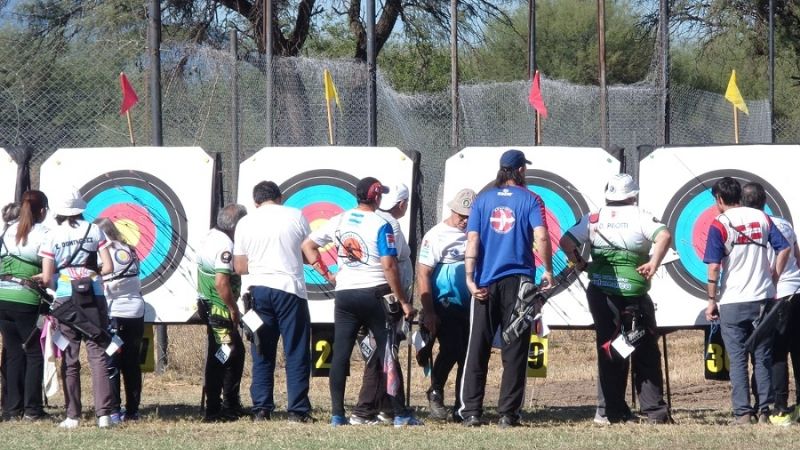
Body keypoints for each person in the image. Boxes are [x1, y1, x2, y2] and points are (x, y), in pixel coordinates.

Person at [302, 177, 421, 427]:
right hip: (375, 294)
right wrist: (404, 301)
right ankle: (399, 413)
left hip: (345, 295)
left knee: (342, 354)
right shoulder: (381, 223)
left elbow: (308, 245)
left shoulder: (340, 219)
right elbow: (389, 265)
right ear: (376, 197)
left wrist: (328, 274)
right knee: (387, 353)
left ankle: (337, 414)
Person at [559, 173, 671, 425]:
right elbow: (664, 235)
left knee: (610, 348)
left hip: (600, 293)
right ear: (633, 195)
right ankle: (654, 412)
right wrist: (653, 262)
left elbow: (565, 241)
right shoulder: (640, 215)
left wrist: (580, 263)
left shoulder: (594, 218)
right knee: (644, 349)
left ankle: (610, 411)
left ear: (608, 195)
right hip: (633, 293)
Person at [459, 149, 554, 428]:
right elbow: (542, 236)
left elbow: (473, 239)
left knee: (477, 348)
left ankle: (472, 412)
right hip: (520, 283)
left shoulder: (482, 200)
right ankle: (507, 414)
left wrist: (469, 278)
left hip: (484, 282)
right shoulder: (532, 199)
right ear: (521, 170)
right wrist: (547, 270)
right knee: (515, 351)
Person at [703, 177, 790, 425]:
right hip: (763, 297)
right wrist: (773, 277)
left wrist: (711, 300)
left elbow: (714, 267)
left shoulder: (719, 223)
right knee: (762, 357)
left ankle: (743, 413)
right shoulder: (762, 218)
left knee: (738, 358)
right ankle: (764, 410)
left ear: (720, 199)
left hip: (733, 300)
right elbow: (783, 248)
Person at [232, 181, 315, 423]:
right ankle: (297, 411)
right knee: (296, 350)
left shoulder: (245, 222)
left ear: (256, 202)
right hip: (290, 291)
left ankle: (261, 409)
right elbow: (309, 253)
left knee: (261, 349)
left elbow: (239, 266)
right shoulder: (295, 215)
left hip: (258, 292)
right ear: (280, 198)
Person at [39, 190, 114, 429]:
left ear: (59, 211)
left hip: (64, 299)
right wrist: (89, 275)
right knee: (98, 352)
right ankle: (104, 414)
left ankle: (73, 415)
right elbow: (109, 267)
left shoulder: (52, 235)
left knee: (69, 356)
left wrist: (62, 279)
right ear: (80, 208)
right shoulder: (94, 230)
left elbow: (48, 275)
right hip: (94, 296)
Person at [350, 182, 413, 425]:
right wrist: (402, 300)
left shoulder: (367, 219)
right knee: (382, 353)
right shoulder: (388, 224)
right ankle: (366, 409)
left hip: (362, 295)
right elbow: (390, 264)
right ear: (402, 204)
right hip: (384, 298)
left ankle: (387, 408)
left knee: (381, 353)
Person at [741, 182, 800, 426]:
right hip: (797, 290)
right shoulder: (784, 223)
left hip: (777, 296)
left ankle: (780, 408)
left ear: (744, 203)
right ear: (765, 201)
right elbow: (796, 254)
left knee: (776, 353)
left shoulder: (753, 225)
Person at [417, 188, 476, 421]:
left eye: (469, 216)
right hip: (445, 301)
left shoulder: (475, 232)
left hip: (470, 302)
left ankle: (463, 405)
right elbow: (423, 274)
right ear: (452, 210)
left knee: (469, 355)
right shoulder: (436, 235)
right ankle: (435, 391)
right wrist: (429, 312)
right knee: (452, 347)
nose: (465, 220)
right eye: (461, 215)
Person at [0, 191, 49, 421]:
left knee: (12, 353)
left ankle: (11, 409)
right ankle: (32, 410)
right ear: (42, 211)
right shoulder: (43, 234)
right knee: (33, 353)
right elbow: (48, 276)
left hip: (3, 297)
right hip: (26, 299)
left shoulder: (8, 229)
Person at [197, 203, 248, 422]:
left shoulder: (211, 235)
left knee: (229, 352)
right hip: (219, 307)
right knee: (225, 355)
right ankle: (218, 409)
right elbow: (221, 282)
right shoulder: (226, 245)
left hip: (209, 304)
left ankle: (228, 404)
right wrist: (233, 308)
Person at [94, 217, 145, 423]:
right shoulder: (130, 250)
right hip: (136, 312)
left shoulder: (103, 253)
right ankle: (132, 411)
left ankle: (114, 410)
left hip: (113, 313)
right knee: (132, 363)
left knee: (112, 361)